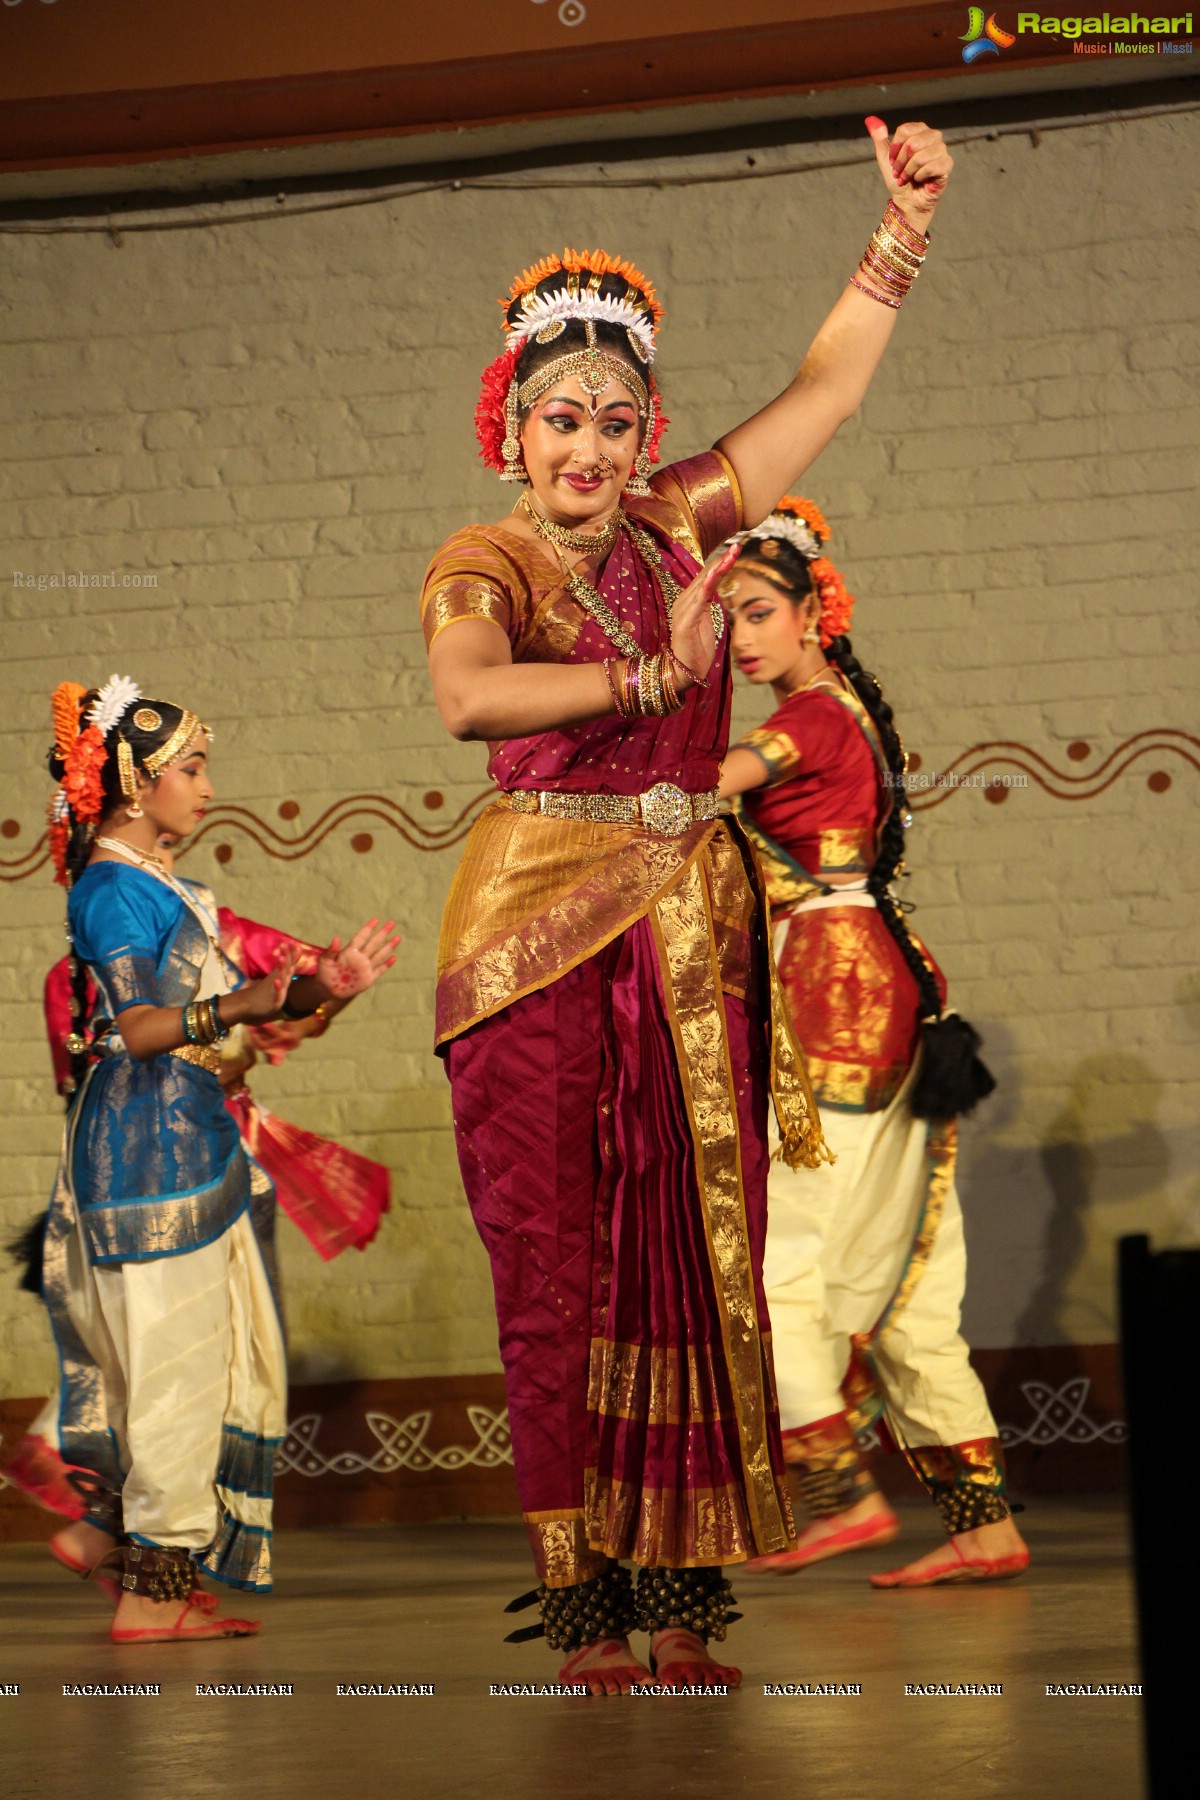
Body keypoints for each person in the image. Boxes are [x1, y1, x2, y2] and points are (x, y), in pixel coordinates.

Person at [422, 117, 955, 1692]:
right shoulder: (485, 557)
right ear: (508, 432)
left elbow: (828, 392)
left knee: (693, 1252)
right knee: (556, 1266)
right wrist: (640, 679)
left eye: (610, 419)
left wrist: (903, 228)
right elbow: (468, 701)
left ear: (641, 428)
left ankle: (682, 1605)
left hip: (692, 939)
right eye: (556, 422)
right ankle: (585, 1607)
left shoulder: (678, 522)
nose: (584, 450)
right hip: (534, 940)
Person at [10, 676, 396, 1644]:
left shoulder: (166, 887)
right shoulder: (109, 889)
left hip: (186, 1137)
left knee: (208, 1363)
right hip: (148, 1148)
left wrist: (326, 987)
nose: (209, 786)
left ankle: (134, 1559)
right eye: (193, 767)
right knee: (176, 1368)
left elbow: (256, 1005)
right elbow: (141, 1029)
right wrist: (246, 1007)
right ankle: (148, 1591)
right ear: (137, 786)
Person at [718, 498, 1029, 1588]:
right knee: (907, 1284)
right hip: (884, 992)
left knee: (772, 1262)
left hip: (832, 998)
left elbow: (703, 793)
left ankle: (833, 1490)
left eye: (756, 612)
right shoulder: (844, 706)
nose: (741, 639)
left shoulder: (806, 717)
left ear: (812, 612)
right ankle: (985, 1522)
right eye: (725, 623)